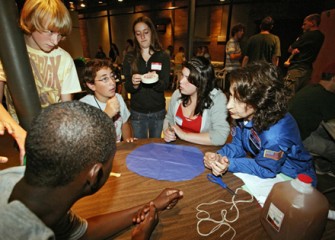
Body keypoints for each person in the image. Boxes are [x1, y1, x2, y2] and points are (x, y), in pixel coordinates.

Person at [0, 101, 183, 239]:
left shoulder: (33, 189)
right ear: (95, 175)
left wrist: (151, 205)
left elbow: (83, 232)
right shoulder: (26, 234)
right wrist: (140, 237)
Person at [204, 61, 317, 186]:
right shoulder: (244, 114)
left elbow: (266, 169)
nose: (229, 105)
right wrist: (219, 156)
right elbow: (238, 145)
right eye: (231, 96)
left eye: (238, 100)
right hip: (267, 166)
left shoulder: (275, 136)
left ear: (259, 101)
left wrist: (230, 164)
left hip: (293, 179)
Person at [0, 0, 82, 123]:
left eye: (60, 35)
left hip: (52, 131)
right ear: (32, 21)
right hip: (21, 131)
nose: (55, 41)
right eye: (50, 32)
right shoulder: (10, 54)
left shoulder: (64, 59)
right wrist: (18, 132)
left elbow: (66, 108)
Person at [163, 57, 230, 146]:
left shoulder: (218, 99)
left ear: (201, 82)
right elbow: (169, 118)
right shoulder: (177, 94)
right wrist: (168, 131)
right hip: (178, 149)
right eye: (182, 75)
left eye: (188, 78)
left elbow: (220, 136)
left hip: (203, 153)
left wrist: (184, 135)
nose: (181, 81)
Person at [123, 16, 170, 138]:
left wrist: (156, 80)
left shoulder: (163, 56)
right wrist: (134, 84)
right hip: (138, 112)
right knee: (140, 149)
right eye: (138, 34)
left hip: (157, 111)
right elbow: (127, 86)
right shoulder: (129, 57)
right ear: (135, 36)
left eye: (146, 32)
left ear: (152, 32)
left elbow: (165, 84)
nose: (142, 37)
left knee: (156, 147)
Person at [289, 62, 335, 177]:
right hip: (300, 137)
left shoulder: (311, 88)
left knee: (325, 132)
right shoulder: (326, 96)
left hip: (292, 130)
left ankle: (321, 164)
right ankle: (325, 167)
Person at [80, 59, 134, 143]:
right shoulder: (84, 106)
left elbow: (124, 123)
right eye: (105, 79)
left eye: (112, 76)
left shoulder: (118, 97)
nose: (112, 82)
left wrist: (128, 141)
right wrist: (107, 115)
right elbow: (86, 140)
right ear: (91, 85)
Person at [284, 13, 325, 93]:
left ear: (313, 23)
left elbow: (290, 48)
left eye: (305, 24)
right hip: (308, 69)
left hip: (297, 68)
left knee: (286, 93)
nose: (303, 26)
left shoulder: (307, 35)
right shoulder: (321, 36)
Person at [224, 23, 246, 92]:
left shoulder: (236, 43)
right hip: (231, 71)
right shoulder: (232, 42)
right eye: (240, 31)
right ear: (235, 32)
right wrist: (240, 54)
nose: (242, 33)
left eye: (243, 31)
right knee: (231, 92)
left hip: (234, 71)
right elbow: (232, 56)